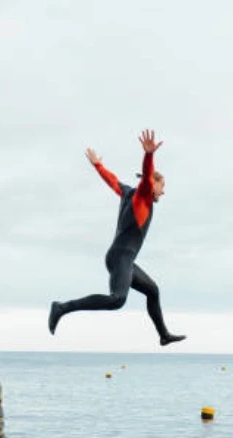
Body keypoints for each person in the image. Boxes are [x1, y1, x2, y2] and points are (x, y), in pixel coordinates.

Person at [48, 129, 186, 346]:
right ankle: (62, 307)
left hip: (125, 259)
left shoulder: (128, 192)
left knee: (153, 290)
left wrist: (98, 165)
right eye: (162, 187)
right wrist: (149, 155)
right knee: (117, 300)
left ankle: (163, 335)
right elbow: (148, 176)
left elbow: (112, 180)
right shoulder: (143, 196)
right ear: (154, 184)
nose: (163, 192)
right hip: (120, 257)